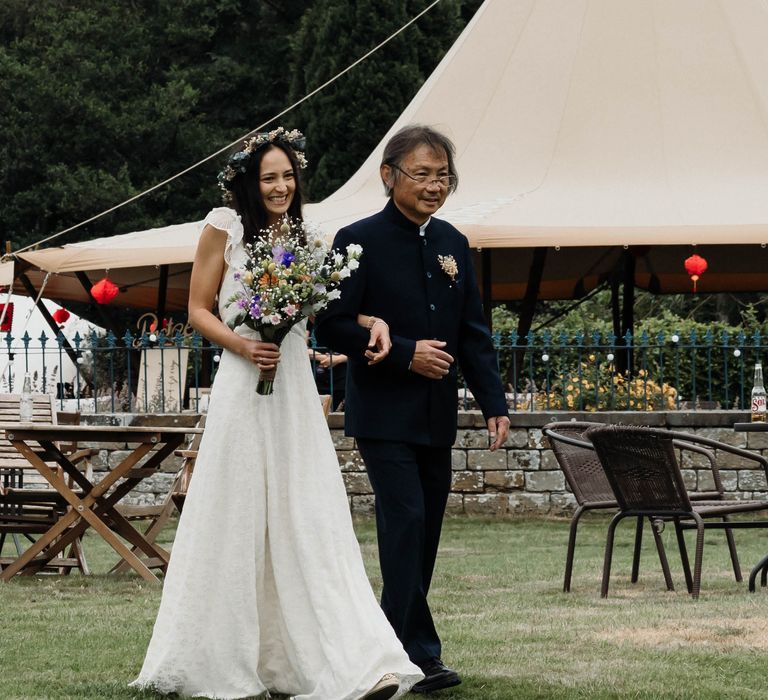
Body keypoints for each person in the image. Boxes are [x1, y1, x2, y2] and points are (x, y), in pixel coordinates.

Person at [131, 127, 422, 700]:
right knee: (238, 509)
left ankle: (351, 662)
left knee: (306, 508)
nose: (281, 186)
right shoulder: (223, 227)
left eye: (288, 175)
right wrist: (242, 345)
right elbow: (196, 308)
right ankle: (222, 658)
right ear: (247, 182)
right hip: (244, 380)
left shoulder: (310, 233)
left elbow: (329, 308)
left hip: (289, 380)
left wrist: (371, 322)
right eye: (269, 177)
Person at [315, 124, 511, 694]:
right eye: (421, 174)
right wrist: (403, 353)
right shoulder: (357, 240)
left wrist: (493, 401)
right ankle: (405, 655)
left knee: (423, 533)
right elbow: (330, 324)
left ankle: (403, 650)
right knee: (404, 524)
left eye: (442, 176)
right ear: (388, 176)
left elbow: (474, 333)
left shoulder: (453, 242)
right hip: (382, 413)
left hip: (436, 416)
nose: (434, 185)